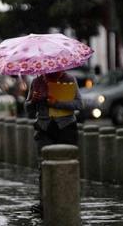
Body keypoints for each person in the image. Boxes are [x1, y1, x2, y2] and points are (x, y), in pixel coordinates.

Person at [25, 71, 83, 216]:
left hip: (66, 128)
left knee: (67, 166)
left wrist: (57, 103)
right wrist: (33, 100)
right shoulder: (36, 81)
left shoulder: (69, 79)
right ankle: (44, 203)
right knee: (43, 166)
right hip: (44, 129)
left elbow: (79, 104)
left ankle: (67, 202)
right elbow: (29, 111)